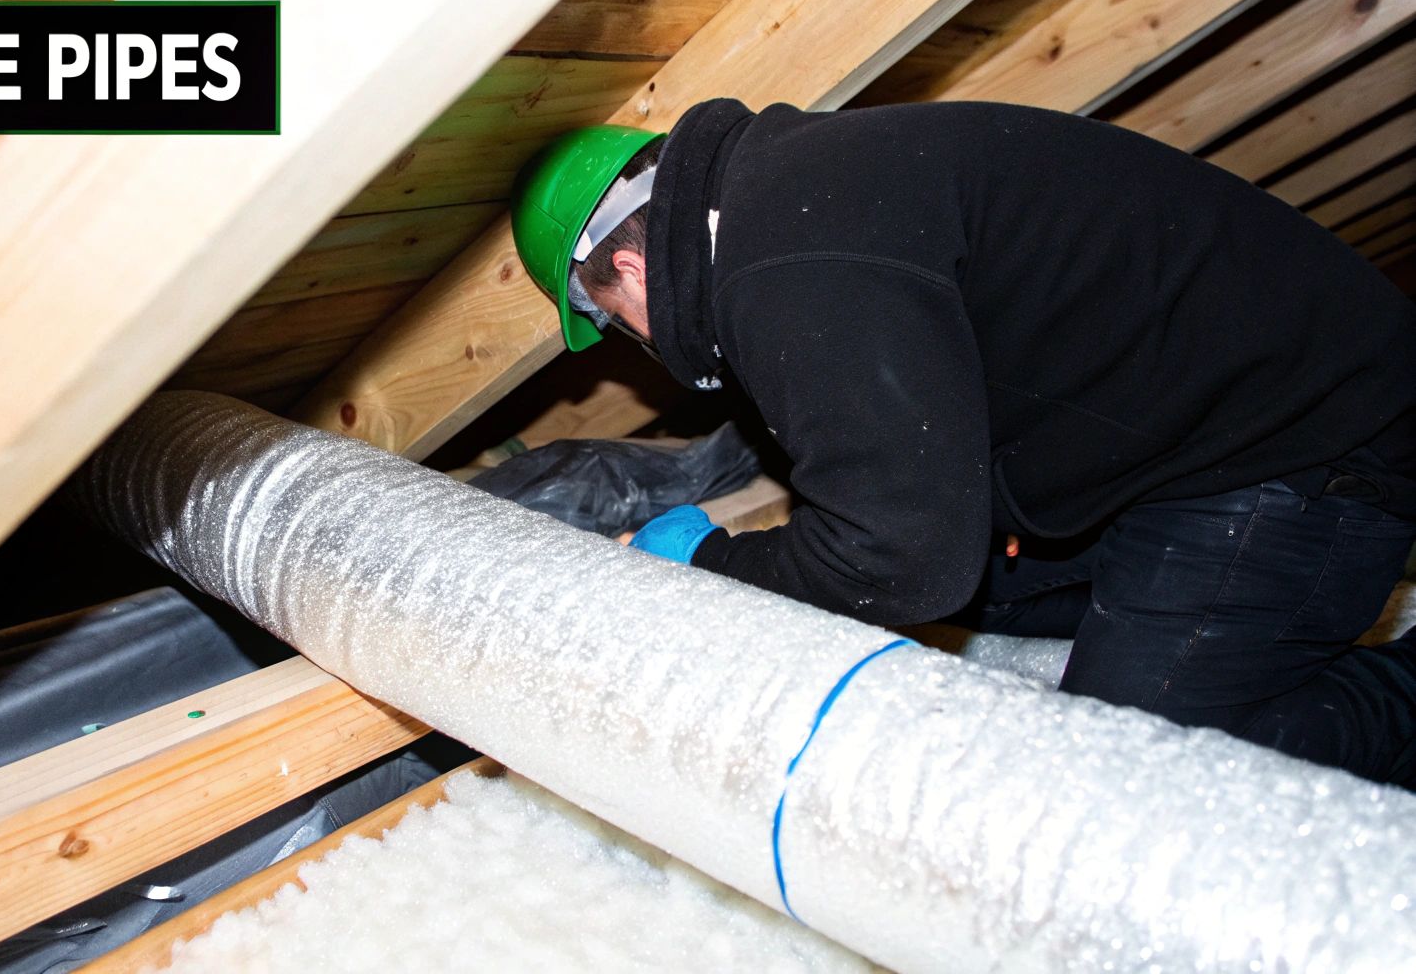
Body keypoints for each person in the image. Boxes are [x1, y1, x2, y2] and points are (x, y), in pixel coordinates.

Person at [509, 99, 1416, 787]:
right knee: (980, 588)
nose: (643, 347)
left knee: (1132, 777)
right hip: (1186, 432)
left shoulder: (785, 267)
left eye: (618, 325)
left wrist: (711, 565)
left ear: (626, 269)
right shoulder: (790, 196)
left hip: (1305, 444)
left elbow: (902, 562)